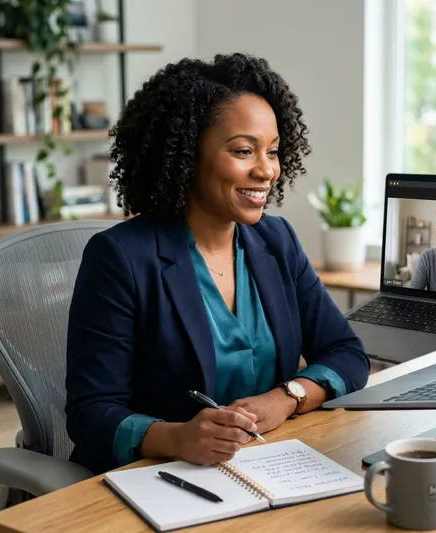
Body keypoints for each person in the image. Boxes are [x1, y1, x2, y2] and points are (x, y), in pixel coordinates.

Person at [65, 53, 370, 475]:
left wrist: (286, 397)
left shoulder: (276, 240)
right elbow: (90, 413)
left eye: (273, 152)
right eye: (244, 151)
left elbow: (347, 353)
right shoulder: (120, 258)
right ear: (187, 155)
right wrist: (178, 437)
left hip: (268, 465)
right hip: (161, 477)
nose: (267, 170)